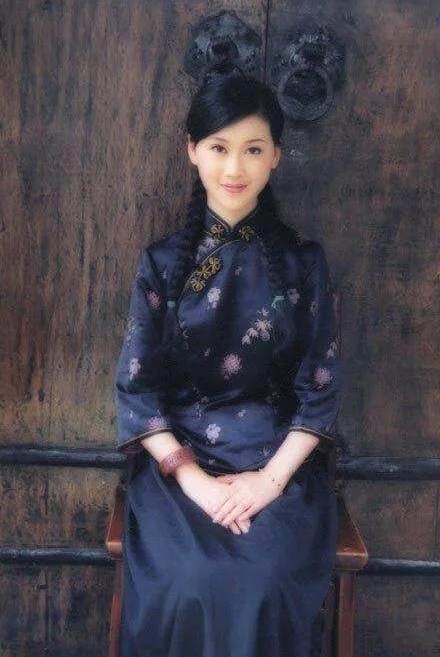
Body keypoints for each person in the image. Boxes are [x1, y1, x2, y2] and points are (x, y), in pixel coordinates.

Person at [114, 70, 342, 657]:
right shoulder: (162, 264)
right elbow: (137, 391)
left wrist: (268, 482)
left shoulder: (304, 264)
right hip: (178, 472)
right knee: (192, 580)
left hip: (280, 467)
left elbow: (319, 389)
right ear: (192, 150)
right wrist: (196, 483)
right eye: (219, 147)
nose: (235, 168)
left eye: (253, 150)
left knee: (261, 583)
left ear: (276, 157)